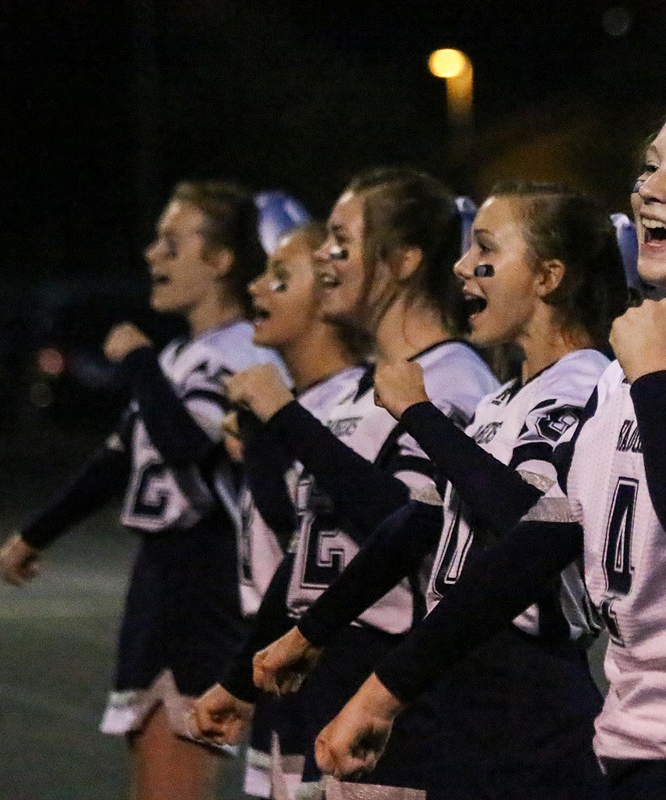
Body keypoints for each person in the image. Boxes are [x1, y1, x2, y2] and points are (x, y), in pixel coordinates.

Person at [314, 88, 666, 800]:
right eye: (651, 169)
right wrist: (385, 692)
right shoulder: (628, 372)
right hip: (633, 758)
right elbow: (533, 546)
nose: (652, 191)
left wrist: (656, 379)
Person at [246, 181, 630, 800]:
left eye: (486, 249)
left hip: (527, 694)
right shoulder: (506, 399)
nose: (461, 267)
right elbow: (421, 521)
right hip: (461, 683)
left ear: (548, 276)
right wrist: (308, 633)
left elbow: (534, 525)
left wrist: (420, 416)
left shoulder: (586, 386)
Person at [188, 167, 500, 798]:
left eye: (341, 241)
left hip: (395, 694)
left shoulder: (452, 381)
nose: (325, 257)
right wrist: (243, 677)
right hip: (324, 676)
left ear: (405, 259)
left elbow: (410, 524)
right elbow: (312, 550)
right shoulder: (365, 387)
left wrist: (285, 420)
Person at [0, 180, 292, 800]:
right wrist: (36, 532)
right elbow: (120, 457)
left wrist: (136, 362)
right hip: (162, 579)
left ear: (220, 261)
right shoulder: (185, 353)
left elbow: (186, 443)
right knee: (152, 773)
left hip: (203, 576)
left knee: (170, 783)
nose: (153, 255)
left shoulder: (236, 353)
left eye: (171, 243)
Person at [225, 220, 368, 799]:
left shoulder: (347, 400)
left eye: (281, 276)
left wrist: (265, 430)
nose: (257, 288)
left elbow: (302, 532)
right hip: (282, 657)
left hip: (326, 663)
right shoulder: (304, 399)